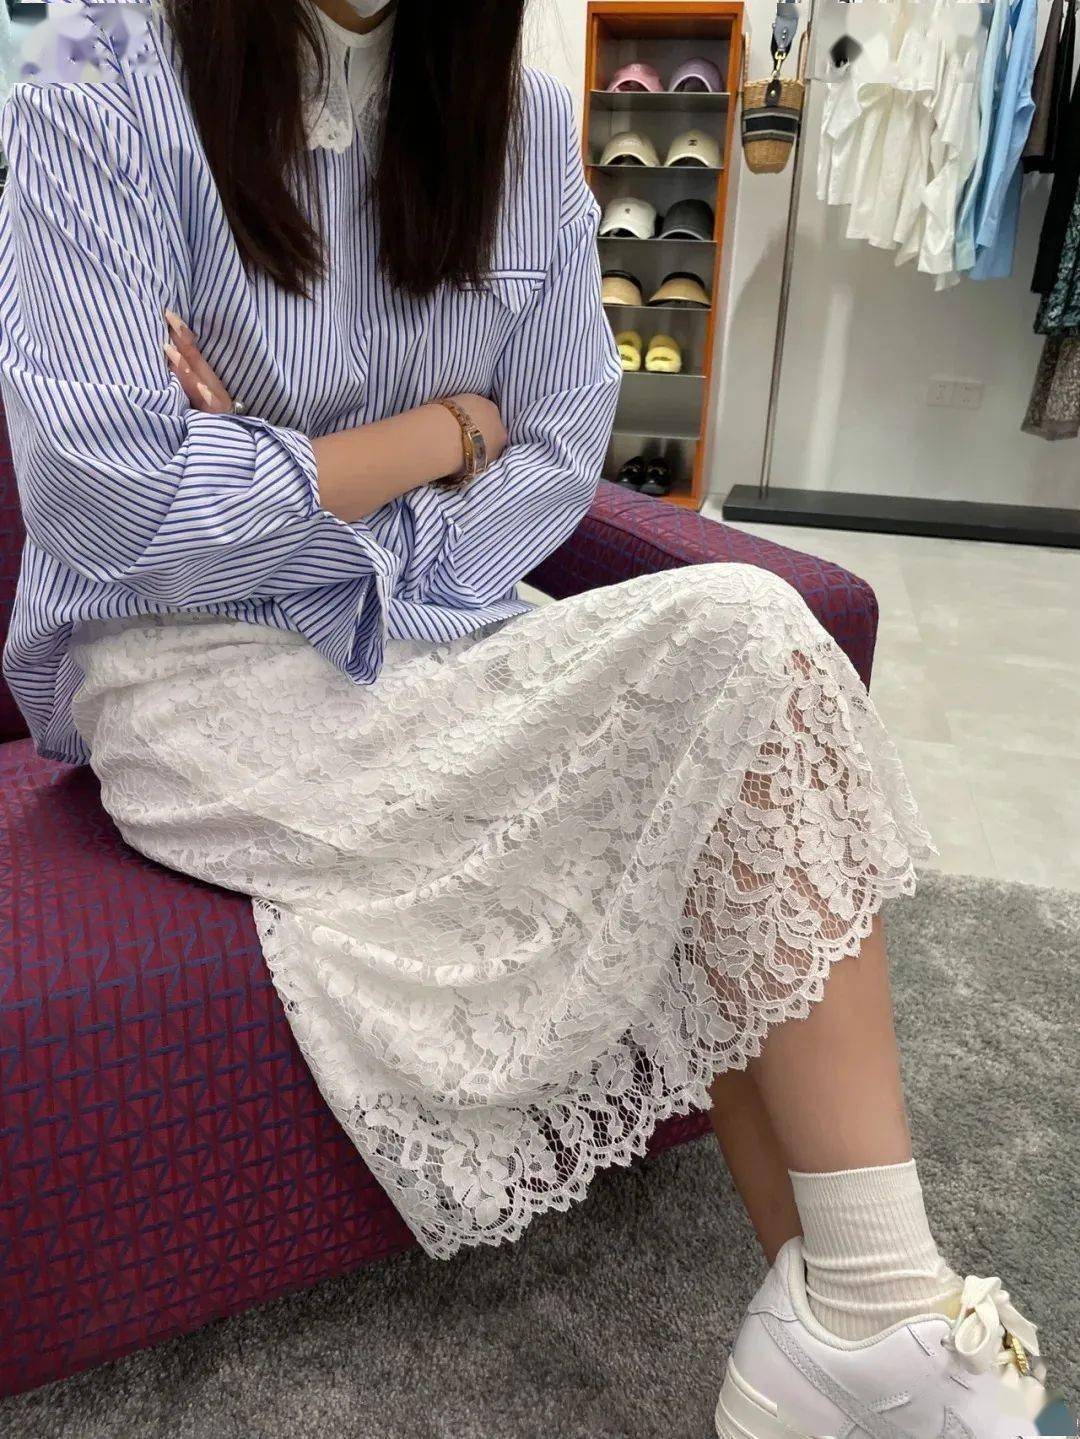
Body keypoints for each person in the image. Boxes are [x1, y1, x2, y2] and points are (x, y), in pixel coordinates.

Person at [0, 4, 1071, 1435]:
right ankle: (869, 1342)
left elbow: (561, 443)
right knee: (729, 667)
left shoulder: (522, 123)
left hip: (444, 617)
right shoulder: (95, 78)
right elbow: (109, 504)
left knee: (745, 669)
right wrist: (442, 433)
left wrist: (273, 470)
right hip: (191, 672)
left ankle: (868, 1321)